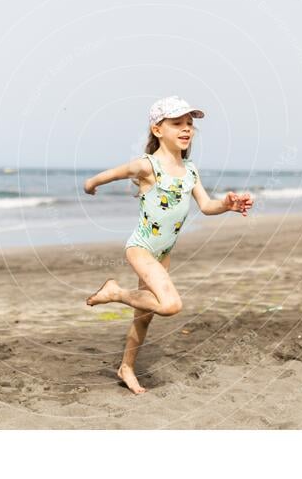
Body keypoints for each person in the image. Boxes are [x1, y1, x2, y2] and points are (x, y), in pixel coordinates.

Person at [83, 96, 254, 394]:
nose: (186, 129)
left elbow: (206, 205)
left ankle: (126, 368)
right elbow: (110, 174)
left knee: (144, 317)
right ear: (158, 129)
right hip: (141, 248)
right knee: (171, 305)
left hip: (163, 254)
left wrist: (227, 205)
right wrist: (91, 184)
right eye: (177, 123)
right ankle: (115, 292)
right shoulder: (147, 166)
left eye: (190, 124)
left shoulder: (190, 170)